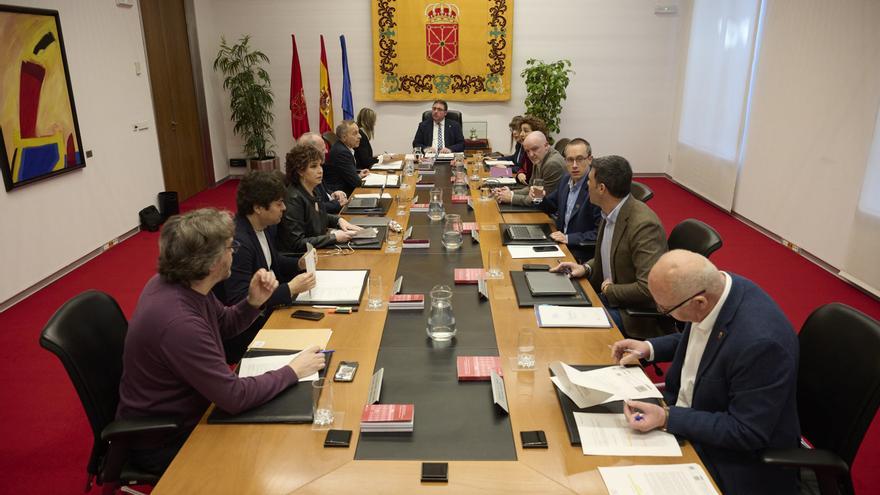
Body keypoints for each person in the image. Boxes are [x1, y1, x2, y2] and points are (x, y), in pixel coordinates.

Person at [117, 208, 326, 474]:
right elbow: (234, 397)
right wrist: (293, 370)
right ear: (213, 262)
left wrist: (253, 302)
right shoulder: (179, 323)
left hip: (193, 406)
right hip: (170, 438)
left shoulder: (181, 284)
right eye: (230, 247)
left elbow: (224, 324)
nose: (234, 252)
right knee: (282, 452)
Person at [611, 250, 800, 494]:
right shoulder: (718, 289)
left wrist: (668, 418)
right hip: (690, 417)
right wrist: (649, 347)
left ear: (699, 302)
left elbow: (746, 431)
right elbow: (703, 339)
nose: (661, 311)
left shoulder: (761, 344)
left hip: (733, 458)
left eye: (665, 309)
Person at [550, 155, 667, 337]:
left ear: (602, 188)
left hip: (632, 314)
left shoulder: (643, 225)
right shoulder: (610, 211)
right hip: (610, 298)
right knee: (552, 304)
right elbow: (610, 256)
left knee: (567, 330)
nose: (586, 185)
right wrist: (586, 267)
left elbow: (648, 288)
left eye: (589, 181)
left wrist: (609, 290)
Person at [214, 170, 317, 363]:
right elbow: (240, 299)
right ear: (259, 208)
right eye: (279, 204)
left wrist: (298, 263)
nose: (284, 208)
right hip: (247, 331)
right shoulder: (239, 243)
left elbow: (272, 261)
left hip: (268, 310)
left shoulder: (264, 226)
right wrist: (290, 288)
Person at [276, 143, 363, 254]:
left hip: (319, 251)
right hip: (302, 260)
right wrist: (333, 237)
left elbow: (318, 217)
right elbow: (296, 243)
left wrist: (338, 220)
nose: (320, 170)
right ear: (300, 171)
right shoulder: (294, 199)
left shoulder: (313, 189)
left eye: (320, 165)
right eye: (313, 166)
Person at [539, 138, 602, 262]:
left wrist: (568, 238)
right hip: (560, 244)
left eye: (579, 159)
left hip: (580, 253)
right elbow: (551, 205)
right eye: (569, 160)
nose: (574, 165)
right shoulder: (566, 179)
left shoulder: (596, 188)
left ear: (590, 159)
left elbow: (600, 233)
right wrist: (539, 197)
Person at [491, 131, 564, 206]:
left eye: (535, 149)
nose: (531, 154)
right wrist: (509, 192)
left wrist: (511, 197)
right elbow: (531, 187)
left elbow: (539, 199)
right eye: (527, 151)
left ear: (546, 145)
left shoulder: (552, 164)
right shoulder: (539, 157)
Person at [298, 132, 349, 214]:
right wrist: (337, 203)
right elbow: (315, 207)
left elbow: (323, 192)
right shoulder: (306, 175)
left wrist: (333, 193)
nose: (326, 151)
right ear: (311, 151)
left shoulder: (319, 167)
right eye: (322, 149)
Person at [325, 120, 370, 196]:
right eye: (355, 133)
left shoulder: (344, 148)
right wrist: (356, 177)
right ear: (344, 137)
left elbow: (345, 174)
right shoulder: (342, 153)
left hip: (347, 189)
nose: (360, 136)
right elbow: (356, 183)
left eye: (358, 132)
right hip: (341, 195)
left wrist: (357, 175)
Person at [510, 115, 548, 185]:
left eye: (516, 130)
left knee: (494, 172)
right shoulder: (521, 146)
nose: (515, 133)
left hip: (522, 181)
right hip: (521, 180)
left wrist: (503, 170)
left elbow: (519, 167)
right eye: (512, 130)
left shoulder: (533, 152)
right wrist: (496, 160)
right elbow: (515, 159)